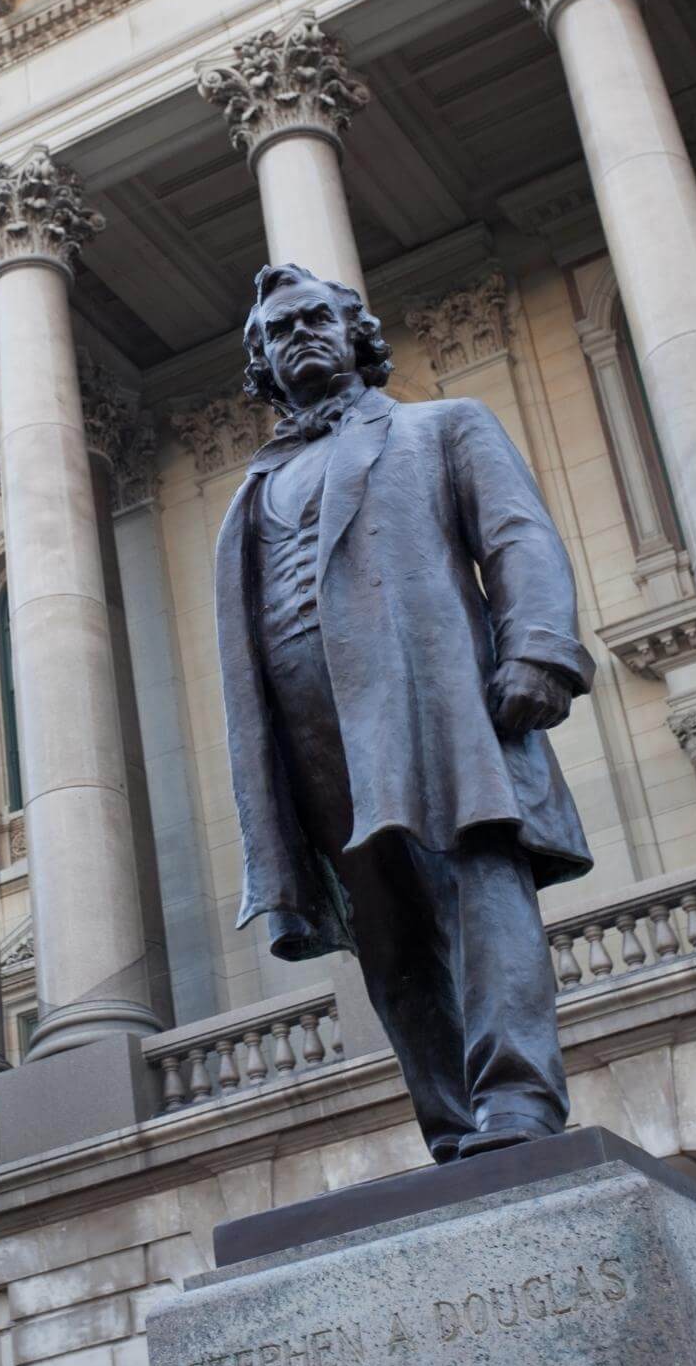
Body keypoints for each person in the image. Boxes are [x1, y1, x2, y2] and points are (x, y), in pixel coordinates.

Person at [215, 262, 595, 1162]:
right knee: (382, 924)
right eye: (276, 332)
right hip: (311, 736)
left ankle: (516, 1100)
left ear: (356, 335)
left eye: (314, 318)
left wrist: (538, 649)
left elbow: (515, 536)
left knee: (478, 879)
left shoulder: (444, 426)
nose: (296, 335)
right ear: (262, 365)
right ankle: (452, 1121)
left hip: (435, 700)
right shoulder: (249, 493)